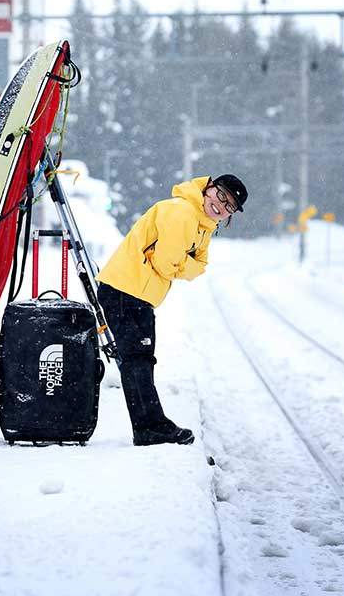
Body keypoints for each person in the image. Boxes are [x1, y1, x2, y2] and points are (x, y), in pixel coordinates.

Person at [97, 173, 248, 447]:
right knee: (137, 360)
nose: (221, 206)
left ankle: (148, 427)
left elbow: (199, 267)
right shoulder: (182, 212)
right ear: (209, 188)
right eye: (220, 196)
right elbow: (167, 264)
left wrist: (183, 263)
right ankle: (150, 428)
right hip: (125, 290)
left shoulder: (203, 225)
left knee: (140, 360)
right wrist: (183, 263)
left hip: (136, 293)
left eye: (229, 207)